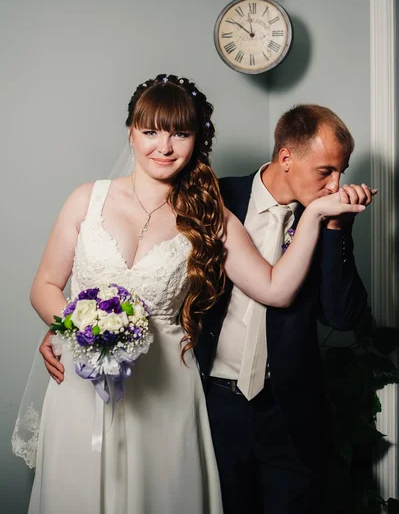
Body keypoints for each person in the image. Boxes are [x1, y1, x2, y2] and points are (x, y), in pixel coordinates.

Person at [30, 77, 368, 514]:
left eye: (180, 134)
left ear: (196, 139)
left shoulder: (208, 214)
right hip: (82, 383)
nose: (164, 146)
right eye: (150, 131)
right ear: (131, 131)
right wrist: (77, 329)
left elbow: (275, 288)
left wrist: (318, 214)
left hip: (167, 388)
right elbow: (45, 287)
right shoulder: (85, 200)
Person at [194, 104, 373, 514]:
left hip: (290, 412)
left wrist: (336, 230)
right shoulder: (218, 199)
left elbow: (343, 317)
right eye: (325, 171)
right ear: (287, 157)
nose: (336, 185)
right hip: (214, 404)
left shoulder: (327, 215)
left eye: (341, 172)